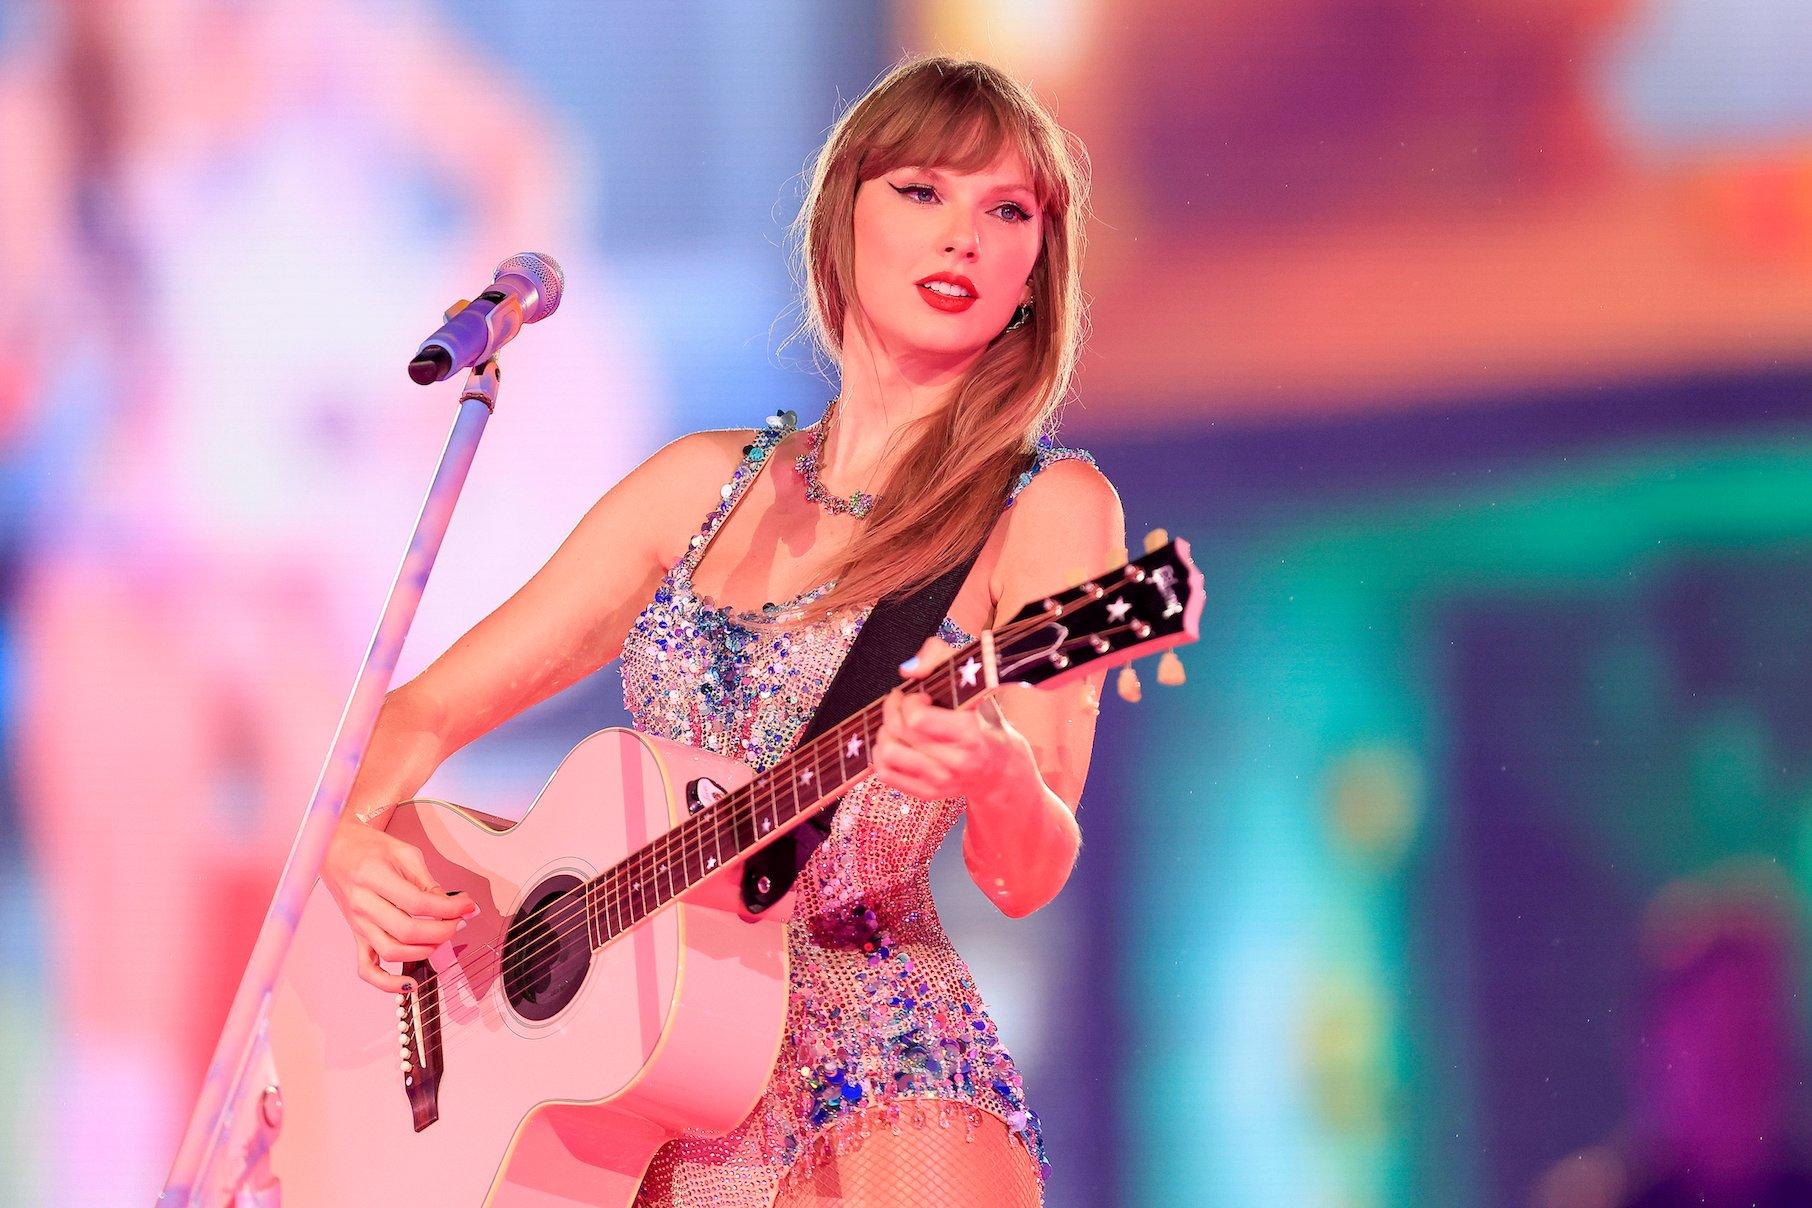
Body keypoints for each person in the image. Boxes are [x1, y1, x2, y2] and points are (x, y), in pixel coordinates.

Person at [324, 54, 1123, 1206]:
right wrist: (352, 835)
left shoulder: (1044, 508)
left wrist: (997, 774)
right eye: (922, 192)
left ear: (1035, 276)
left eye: (1007, 211)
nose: (965, 236)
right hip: (642, 1103)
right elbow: (421, 710)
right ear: (837, 217)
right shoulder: (692, 486)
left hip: (882, 1086)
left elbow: (1029, 869)